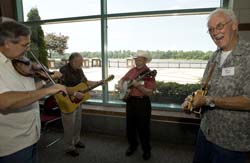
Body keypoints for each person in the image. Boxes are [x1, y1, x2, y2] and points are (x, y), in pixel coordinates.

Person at [182, 8, 250, 163]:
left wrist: (208, 101)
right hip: (205, 132)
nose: (215, 32)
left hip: (231, 142)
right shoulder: (214, 56)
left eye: (219, 26)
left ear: (234, 25)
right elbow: (205, 89)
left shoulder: (248, 55)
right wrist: (192, 101)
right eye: (211, 29)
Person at [0, 21, 67, 163]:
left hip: (30, 135)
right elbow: (4, 101)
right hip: (12, 144)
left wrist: (44, 82)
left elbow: (25, 92)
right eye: (25, 45)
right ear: (7, 43)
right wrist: (48, 90)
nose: (28, 50)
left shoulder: (15, 61)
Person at [117, 50, 156, 160]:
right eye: (136, 60)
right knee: (130, 126)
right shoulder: (132, 70)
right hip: (130, 101)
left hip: (142, 103)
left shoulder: (148, 74)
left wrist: (138, 86)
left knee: (143, 128)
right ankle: (133, 146)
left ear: (145, 61)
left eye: (140, 60)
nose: (137, 62)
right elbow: (122, 79)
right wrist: (120, 85)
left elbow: (150, 92)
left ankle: (146, 150)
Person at [59, 52, 98, 157]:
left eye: (82, 62)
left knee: (77, 123)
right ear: (72, 61)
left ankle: (76, 141)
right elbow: (61, 88)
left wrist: (98, 82)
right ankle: (69, 147)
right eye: (79, 62)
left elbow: (85, 82)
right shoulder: (63, 70)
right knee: (69, 126)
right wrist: (74, 93)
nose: (81, 64)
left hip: (78, 101)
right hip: (67, 101)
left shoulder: (79, 70)